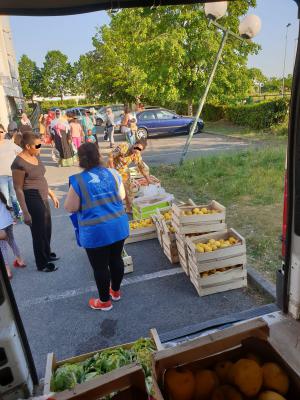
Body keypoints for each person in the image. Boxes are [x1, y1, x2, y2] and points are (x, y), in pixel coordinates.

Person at [64, 143, 129, 311]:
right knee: (116, 259)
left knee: (100, 267)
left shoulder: (78, 181)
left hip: (96, 232)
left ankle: (104, 301)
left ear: (80, 159)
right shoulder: (113, 173)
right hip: (118, 227)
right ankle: (115, 292)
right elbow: (121, 195)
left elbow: (70, 207)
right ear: (98, 156)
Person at [11, 132, 60, 272]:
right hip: (31, 198)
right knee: (38, 231)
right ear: (27, 146)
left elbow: (41, 177)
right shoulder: (18, 163)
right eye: (37, 145)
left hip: (43, 195)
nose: (40, 147)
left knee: (47, 228)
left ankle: (47, 253)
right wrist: (25, 212)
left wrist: (51, 193)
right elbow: (18, 188)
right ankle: (42, 263)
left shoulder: (36, 155)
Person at [108, 139, 151, 213]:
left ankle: (128, 208)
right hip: (112, 168)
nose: (136, 150)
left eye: (139, 150)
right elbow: (111, 157)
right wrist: (113, 171)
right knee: (114, 190)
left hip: (123, 170)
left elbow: (141, 167)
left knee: (128, 190)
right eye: (136, 147)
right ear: (134, 144)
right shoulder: (124, 147)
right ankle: (112, 210)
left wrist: (148, 180)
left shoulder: (136, 154)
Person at [0, 191, 26, 280]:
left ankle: (7, 270)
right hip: (8, 222)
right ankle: (20, 260)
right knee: (12, 241)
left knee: (2, 248)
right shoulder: (1, 194)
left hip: (1, 226)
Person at [0, 126, 21, 218]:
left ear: (4, 132)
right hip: (1, 176)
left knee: (14, 196)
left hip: (12, 174)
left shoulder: (9, 143)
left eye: (1, 131)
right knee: (6, 198)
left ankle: (17, 214)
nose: (0, 134)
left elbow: (21, 152)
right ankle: (10, 217)